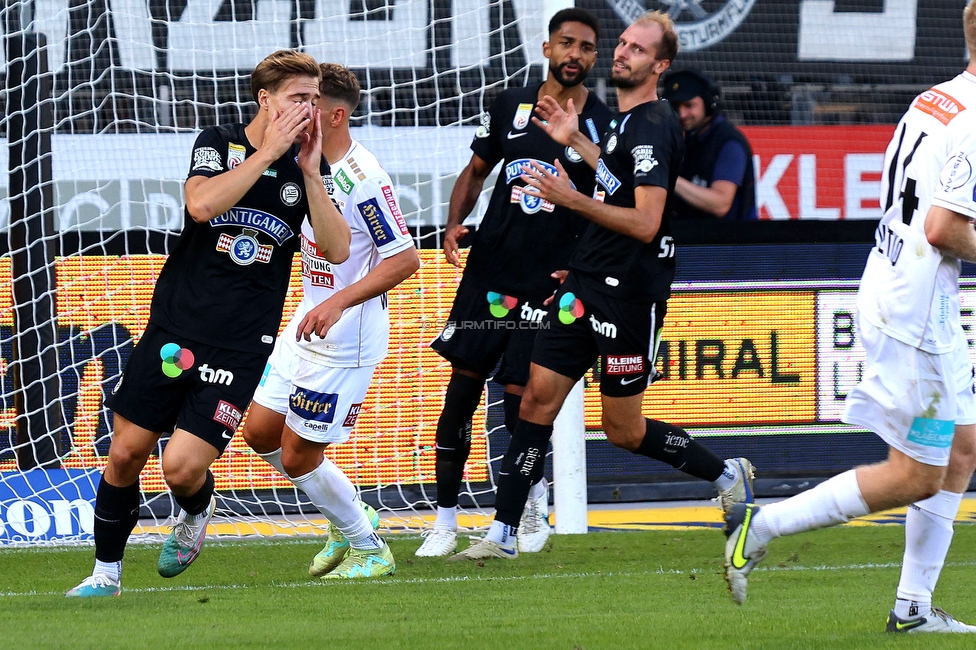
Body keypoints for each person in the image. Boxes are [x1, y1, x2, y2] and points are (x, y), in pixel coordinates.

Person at [451, 11, 754, 561]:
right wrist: (577, 144)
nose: (622, 53)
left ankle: (727, 473)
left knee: (624, 429)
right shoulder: (621, 124)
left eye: (638, 50)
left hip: (629, 297)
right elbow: (615, 184)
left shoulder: (657, 124)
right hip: (584, 285)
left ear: (660, 65)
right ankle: (503, 533)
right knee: (535, 403)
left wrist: (569, 197)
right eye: (623, 44)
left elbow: (643, 221)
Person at [720, 2, 976, 633]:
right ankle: (762, 525)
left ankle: (913, 608)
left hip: (902, 286)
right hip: (915, 309)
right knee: (916, 474)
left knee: (963, 447)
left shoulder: (937, 97)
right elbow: (945, 227)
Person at [66, 50, 351, 597]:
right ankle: (105, 575)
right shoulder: (219, 143)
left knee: (179, 468)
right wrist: (266, 153)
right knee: (125, 453)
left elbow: (337, 250)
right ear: (265, 100)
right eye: (298, 98)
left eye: (315, 100)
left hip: (242, 344)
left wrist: (312, 173)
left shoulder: (310, 167)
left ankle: (196, 508)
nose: (309, 109)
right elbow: (200, 207)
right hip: (176, 326)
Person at [416, 7, 615, 558]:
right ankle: (444, 521)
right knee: (459, 397)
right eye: (566, 43)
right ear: (548, 47)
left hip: (547, 285)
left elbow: (615, 201)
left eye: (586, 47)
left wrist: (583, 271)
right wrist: (455, 222)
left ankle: (526, 506)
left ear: (595, 57)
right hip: (489, 274)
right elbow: (477, 171)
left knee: (521, 403)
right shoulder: (510, 105)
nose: (575, 54)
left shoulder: (603, 125)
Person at [242, 63, 419, 579]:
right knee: (258, 431)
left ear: (335, 114)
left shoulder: (364, 178)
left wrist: (339, 302)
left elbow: (404, 259)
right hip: (307, 320)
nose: (297, 112)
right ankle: (347, 511)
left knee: (299, 457)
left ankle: (369, 548)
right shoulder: (302, 162)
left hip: (347, 335)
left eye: (309, 104)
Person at [660, 69, 756, 221]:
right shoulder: (683, 139)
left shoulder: (728, 143)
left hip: (729, 241)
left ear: (709, 104)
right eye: (676, 107)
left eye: (689, 105)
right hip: (691, 237)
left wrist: (666, 176)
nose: (682, 114)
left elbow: (720, 205)